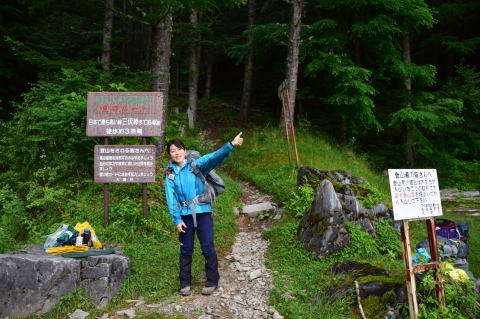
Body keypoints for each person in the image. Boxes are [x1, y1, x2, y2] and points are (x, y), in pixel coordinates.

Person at [165, 132, 244, 296]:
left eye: (179, 149)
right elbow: (171, 197)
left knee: (207, 247)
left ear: (184, 150)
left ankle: (212, 280)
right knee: (185, 250)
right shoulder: (170, 173)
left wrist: (231, 145)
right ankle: (185, 283)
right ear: (169, 155)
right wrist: (176, 219)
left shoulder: (196, 165)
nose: (177, 153)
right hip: (184, 215)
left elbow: (213, 157)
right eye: (173, 151)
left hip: (202, 212)